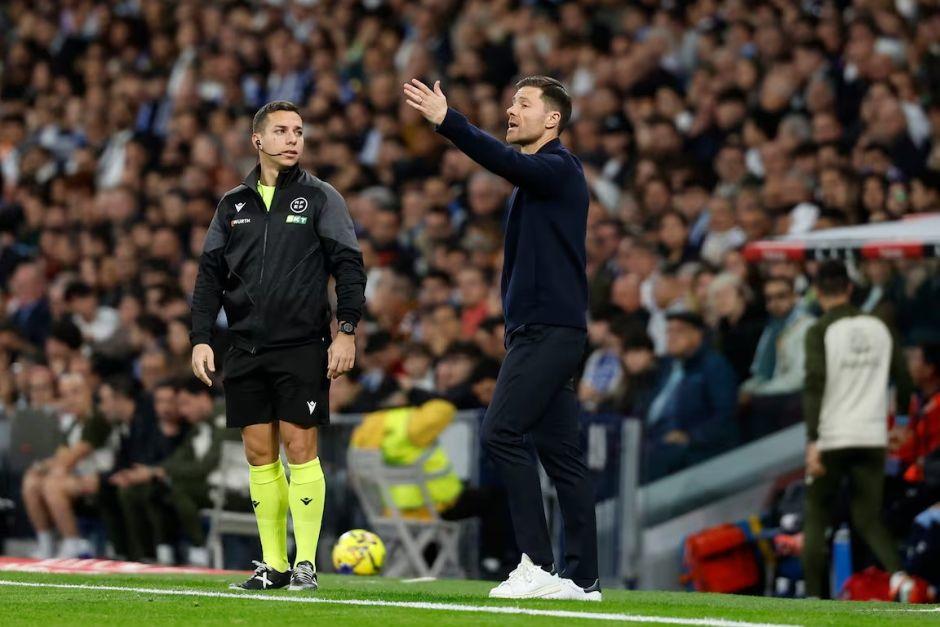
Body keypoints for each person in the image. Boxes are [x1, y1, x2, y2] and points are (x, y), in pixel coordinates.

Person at [404, 76, 599, 601]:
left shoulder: (557, 168)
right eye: (511, 101)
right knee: (560, 454)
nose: (511, 110)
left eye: (523, 103)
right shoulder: (544, 177)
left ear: (552, 119)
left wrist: (450, 122)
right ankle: (583, 580)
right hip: (546, 330)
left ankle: (535, 563)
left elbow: (507, 163)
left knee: (501, 433)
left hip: (547, 331)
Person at [189, 101, 366, 591]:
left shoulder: (321, 197)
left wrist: (346, 329)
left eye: (300, 131)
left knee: (300, 446)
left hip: (302, 343)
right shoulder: (233, 205)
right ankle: (273, 564)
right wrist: (200, 338)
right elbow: (209, 277)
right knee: (257, 452)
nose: (293, 139)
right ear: (258, 141)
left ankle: (305, 562)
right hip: (244, 346)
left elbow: (349, 265)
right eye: (283, 131)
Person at [802, 260, 914, 598]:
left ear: (819, 293)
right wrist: (905, 422)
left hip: (833, 436)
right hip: (872, 436)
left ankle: (811, 603)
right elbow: (905, 380)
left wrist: (813, 441)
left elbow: (815, 385)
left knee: (817, 516)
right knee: (867, 516)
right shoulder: (880, 327)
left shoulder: (820, 330)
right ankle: (899, 577)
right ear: (850, 289)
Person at [349, 398, 511, 578]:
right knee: (496, 497)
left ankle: (430, 572)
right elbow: (446, 407)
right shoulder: (411, 421)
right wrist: (422, 396)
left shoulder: (364, 429)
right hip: (433, 507)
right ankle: (494, 562)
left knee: (440, 525)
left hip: (389, 511)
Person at [643, 312, 739, 481]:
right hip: (653, 438)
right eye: (668, 331)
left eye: (678, 331)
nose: (671, 337)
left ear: (697, 334)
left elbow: (725, 416)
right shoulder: (666, 366)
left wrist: (690, 437)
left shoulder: (714, 367)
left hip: (690, 447)